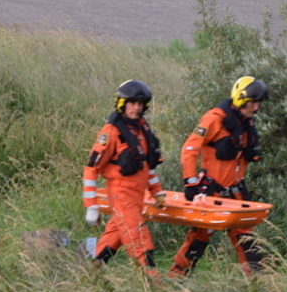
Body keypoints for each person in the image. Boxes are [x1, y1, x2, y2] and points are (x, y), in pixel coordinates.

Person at [168, 76, 269, 280]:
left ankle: (259, 287)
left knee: (248, 240)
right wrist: (190, 181)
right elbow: (189, 150)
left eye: (258, 103)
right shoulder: (214, 119)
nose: (256, 108)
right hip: (212, 193)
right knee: (198, 239)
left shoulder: (245, 123)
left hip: (236, 193)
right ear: (241, 99)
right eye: (253, 103)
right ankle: (175, 280)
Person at [83, 80, 166, 275]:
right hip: (122, 195)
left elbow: (147, 165)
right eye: (132, 103)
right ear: (122, 103)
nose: (137, 108)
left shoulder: (141, 130)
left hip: (137, 196)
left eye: (140, 104)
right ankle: (154, 289)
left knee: (113, 238)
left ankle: (90, 275)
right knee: (140, 241)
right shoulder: (111, 133)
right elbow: (90, 169)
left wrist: (157, 192)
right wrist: (91, 206)